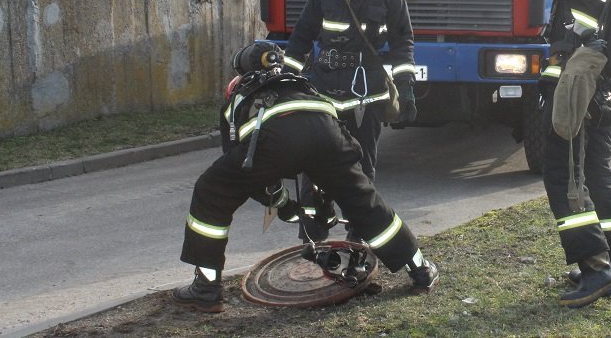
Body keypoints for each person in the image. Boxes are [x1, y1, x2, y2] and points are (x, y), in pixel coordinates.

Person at [172, 42, 438, 313]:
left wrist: (283, 205)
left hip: (275, 140)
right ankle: (420, 269)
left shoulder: (240, 95)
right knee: (364, 202)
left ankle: (206, 288)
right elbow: (321, 148)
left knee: (211, 191)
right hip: (328, 133)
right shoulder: (301, 84)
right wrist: (326, 199)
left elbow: (247, 173)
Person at [483, 0, 611, 309]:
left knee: (563, 177)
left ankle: (595, 269)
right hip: (602, 95)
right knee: (596, 174)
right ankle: (609, 257)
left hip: (577, 97)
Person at [284, 0, 417, 238]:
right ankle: (313, 237)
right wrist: (286, 83)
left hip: (367, 96)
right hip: (323, 93)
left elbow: (402, 44)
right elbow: (300, 39)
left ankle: (359, 237)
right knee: (314, 164)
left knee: (362, 169)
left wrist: (406, 90)